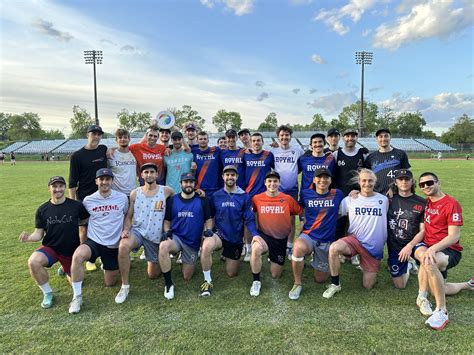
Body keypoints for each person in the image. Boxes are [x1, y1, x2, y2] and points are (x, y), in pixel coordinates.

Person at [19, 176, 89, 309]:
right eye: (54, 186)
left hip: (70, 250)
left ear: (64, 187)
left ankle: (64, 267)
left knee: (78, 281)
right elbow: (38, 233)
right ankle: (47, 293)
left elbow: (85, 223)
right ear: (49, 189)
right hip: (51, 248)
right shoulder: (42, 209)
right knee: (33, 262)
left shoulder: (76, 205)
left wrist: (83, 244)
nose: (58, 189)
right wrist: (29, 238)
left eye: (61, 186)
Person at [68, 168, 128, 314]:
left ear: (112, 181)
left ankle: (108, 266)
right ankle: (77, 296)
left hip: (113, 245)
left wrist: (125, 230)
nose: (104, 182)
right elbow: (82, 220)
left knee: (110, 282)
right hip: (94, 241)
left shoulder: (122, 198)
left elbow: (126, 215)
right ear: (96, 181)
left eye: (107, 179)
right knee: (78, 255)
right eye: (101, 179)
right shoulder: (88, 200)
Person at [323, 169, 388, 299]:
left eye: (370, 180)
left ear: (375, 182)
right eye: (364, 180)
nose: (367, 183)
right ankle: (335, 284)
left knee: (368, 286)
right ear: (359, 182)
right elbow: (337, 216)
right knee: (334, 248)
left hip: (373, 247)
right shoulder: (349, 200)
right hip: (355, 240)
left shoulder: (384, 200)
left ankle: (365, 263)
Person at [115, 163, 174, 304]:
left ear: (157, 174)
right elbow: (129, 216)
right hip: (138, 231)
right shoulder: (135, 193)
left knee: (153, 275)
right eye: (146, 172)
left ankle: (159, 260)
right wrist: (126, 229)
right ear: (141, 175)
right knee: (123, 246)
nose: (149, 175)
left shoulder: (166, 191)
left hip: (155, 235)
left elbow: (182, 199)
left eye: (152, 172)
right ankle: (125, 286)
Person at [413, 172, 465, 330]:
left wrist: (433, 249)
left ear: (438, 182)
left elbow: (454, 236)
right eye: (422, 185)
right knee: (438, 286)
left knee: (428, 260)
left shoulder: (451, 204)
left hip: (449, 249)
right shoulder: (427, 202)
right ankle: (467, 285)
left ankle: (441, 310)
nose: (426, 187)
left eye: (429, 183)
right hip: (427, 245)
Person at [199, 165, 259, 296]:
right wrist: (208, 231)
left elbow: (249, 219)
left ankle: (228, 254)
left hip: (235, 238)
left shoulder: (244, 196)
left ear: (237, 177)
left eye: (232, 175)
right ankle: (207, 281)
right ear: (223, 177)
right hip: (219, 235)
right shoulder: (216, 195)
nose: (230, 177)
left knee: (231, 273)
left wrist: (255, 235)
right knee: (206, 246)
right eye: (227, 175)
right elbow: (209, 215)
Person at [288, 168, 344, 300]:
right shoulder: (306, 193)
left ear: (330, 180)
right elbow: (299, 207)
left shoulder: (338, 194)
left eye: (326, 178)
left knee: (320, 279)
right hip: (309, 235)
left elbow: (351, 201)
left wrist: (354, 192)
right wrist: (302, 220)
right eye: (319, 177)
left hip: (326, 240)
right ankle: (297, 283)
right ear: (314, 180)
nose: (322, 180)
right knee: (297, 248)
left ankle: (324, 259)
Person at [159, 172, 213, 300]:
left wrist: (208, 230)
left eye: (191, 182)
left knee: (187, 276)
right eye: (186, 182)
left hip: (192, 242)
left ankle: (183, 256)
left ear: (194, 184)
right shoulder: (172, 200)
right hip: (177, 237)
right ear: (181, 184)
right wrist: (167, 231)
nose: (188, 184)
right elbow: (167, 221)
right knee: (163, 246)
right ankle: (168, 284)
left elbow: (209, 219)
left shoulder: (202, 200)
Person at [249, 171, 303, 297]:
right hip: (264, 236)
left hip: (280, 240)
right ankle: (256, 281)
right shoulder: (257, 199)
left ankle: (274, 257)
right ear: (265, 183)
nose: (272, 184)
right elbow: (251, 214)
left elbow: (300, 212)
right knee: (256, 249)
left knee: (275, 275)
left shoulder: (288, 199)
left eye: (275, 181)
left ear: (279, 183)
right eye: (269, 181)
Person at [69, 124, 108, 272]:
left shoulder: (103, 149)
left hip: (103, 196)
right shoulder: (77, 156)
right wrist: (73, 203)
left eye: (99, 134)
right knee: (84, 230)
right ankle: (85, 258)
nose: (96, 136)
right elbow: (72, 182)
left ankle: (103, 256)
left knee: (103, 226)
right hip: (85, 198)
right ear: (88, 135)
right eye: (94, 133)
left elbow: (113, 151)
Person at [387, 169, 425, 289]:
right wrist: (355, 192)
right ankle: (408, 264)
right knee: (400, 285)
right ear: (395, 182)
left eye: (407, 179)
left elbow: (423, 230)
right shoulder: (388, 201)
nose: (404, 182)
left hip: (414, 244)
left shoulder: (422, 203)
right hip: (395, 246)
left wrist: (410, 246)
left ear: (412, 182)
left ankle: (413, 260)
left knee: (425, 258)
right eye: (400, 179)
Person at [270, 125, 304, 258]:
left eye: (287, 135)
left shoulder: (298, 151)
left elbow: (300, 167)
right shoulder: (273, 151)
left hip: (292, 190)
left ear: (290, 137)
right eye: (282, 135)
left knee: (291, 220)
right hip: (277, 190)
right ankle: (277, 244)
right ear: (278, 137)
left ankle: (289, 246)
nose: (284, 137)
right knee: (277, 219)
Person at [243, 133, 275, 261]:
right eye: (254, 141)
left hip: (265, 195)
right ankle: (248, 249)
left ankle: (270, 247)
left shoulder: (268, 155)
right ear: (251, 142)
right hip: (249, 194)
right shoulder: (245, 155)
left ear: (263, 142)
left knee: (268, 222)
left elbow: (277, 170)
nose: (256, 143)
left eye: (258, 140)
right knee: (248, 221)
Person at [364, 128, 410, 194]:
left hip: (397, 194)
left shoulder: (400, 154)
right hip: (376, 195)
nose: (383, 139)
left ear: (390, 137)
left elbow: (407, 175)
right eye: (380, 136)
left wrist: (394, 187)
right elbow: (366, 176)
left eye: (386, 136)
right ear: (377, 139)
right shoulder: (371, 157)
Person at [192, 131, 222, 198]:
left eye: (205, 139)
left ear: (208, 140)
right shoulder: (193, 151)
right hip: (199, 190)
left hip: (215, 189)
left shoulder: (216, 150)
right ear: (197, 140)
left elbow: (228, 149)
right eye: (200, 139)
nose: (203, 141)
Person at [108, 128, 137, 197]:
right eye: (120, 137)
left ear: (129, 139)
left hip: (132, 193)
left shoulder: (134, 153)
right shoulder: (110, 154)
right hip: (116, 194)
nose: (123, 139)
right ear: (116, 140)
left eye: (125, 137)